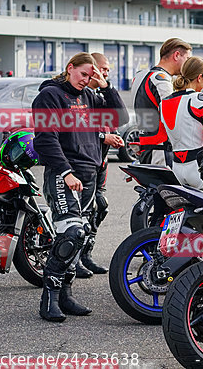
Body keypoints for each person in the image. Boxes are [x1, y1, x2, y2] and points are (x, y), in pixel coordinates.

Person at [32, 52, 127, 322]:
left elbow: (119, 118)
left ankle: (66, 295)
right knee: (71, 233)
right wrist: (65, 172)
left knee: (82, 236)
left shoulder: (88, 97)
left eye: (91, 75)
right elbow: (45, 140)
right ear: (69, 68)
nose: (86, 79)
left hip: (89, 174)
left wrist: (106, 87)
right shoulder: (50, 95)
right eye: (83, 74)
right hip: (64, 175)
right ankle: (48, 299)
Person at [73, 52, 125, 278]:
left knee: (99, 207)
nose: (105, 73)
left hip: (100, 162)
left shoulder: (97, 94)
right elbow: (77, 128)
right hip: (82, 164)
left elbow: (119, 117)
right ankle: (72, 260)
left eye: (107, 70)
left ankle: (85, 254)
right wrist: (104, 137)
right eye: (102, 69)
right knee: (79, 215)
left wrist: (107, 86)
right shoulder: (78, 95)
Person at [159, 56, 203, 190]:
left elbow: (167, 134)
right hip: (199, 168)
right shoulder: (201, 100)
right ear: (200, 77)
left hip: (177, 167)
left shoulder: (164, 103)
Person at [131, 38, 192, 166]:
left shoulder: (140, 76)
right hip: (161, 150)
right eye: (186, 59)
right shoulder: (161, 80)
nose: (187, 64)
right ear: (176, 55)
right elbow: (173, 116)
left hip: (146, 146)